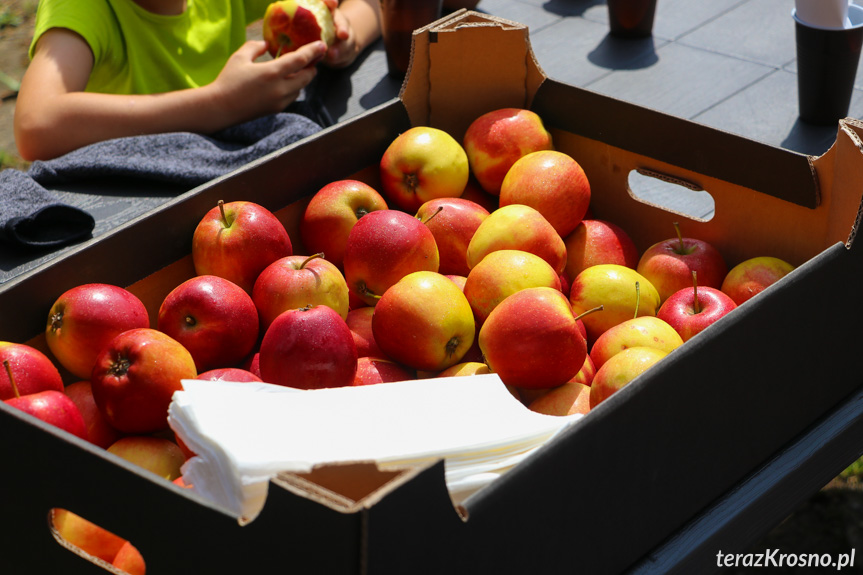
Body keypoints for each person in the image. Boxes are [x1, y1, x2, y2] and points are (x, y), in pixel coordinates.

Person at [14, 0, 382, 162]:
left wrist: (344, 37)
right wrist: (217, 104)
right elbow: (36, 125)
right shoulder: (83, 6)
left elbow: (371, 3)